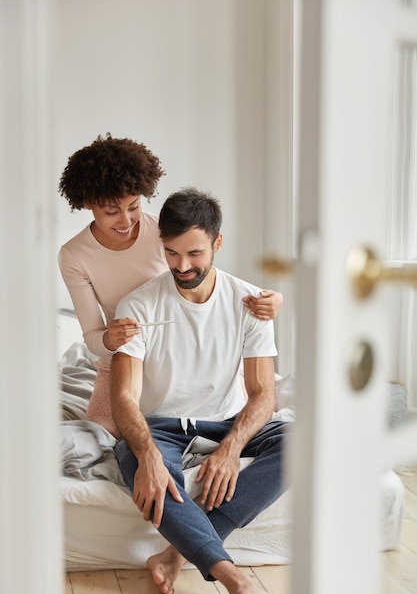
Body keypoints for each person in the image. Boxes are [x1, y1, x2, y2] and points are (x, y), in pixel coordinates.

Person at [111, 187, 290, 594]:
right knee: (133, 457)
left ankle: (175, 553)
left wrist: (231, 450)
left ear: (217, 242)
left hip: (226, 421)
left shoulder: (250, 304)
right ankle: (237, 583)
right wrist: (149, 453)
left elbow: (263, 393)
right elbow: (122, 396)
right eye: (171, 253)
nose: (182, 266)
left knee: (301, 442)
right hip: (163, 425)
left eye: (194, 253)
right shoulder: (138, 304)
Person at [58, 134, 283, 438]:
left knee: (255, 415)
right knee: (101, 438)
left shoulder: (162, 231)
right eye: (112, 211)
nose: (126, 221)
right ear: (87, 204)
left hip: (185, 349)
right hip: (124, 357)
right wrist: (112, 338)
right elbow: (92, 338)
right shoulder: (74, 255)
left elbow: (202, 273)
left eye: (134, 206)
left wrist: (270, 298)